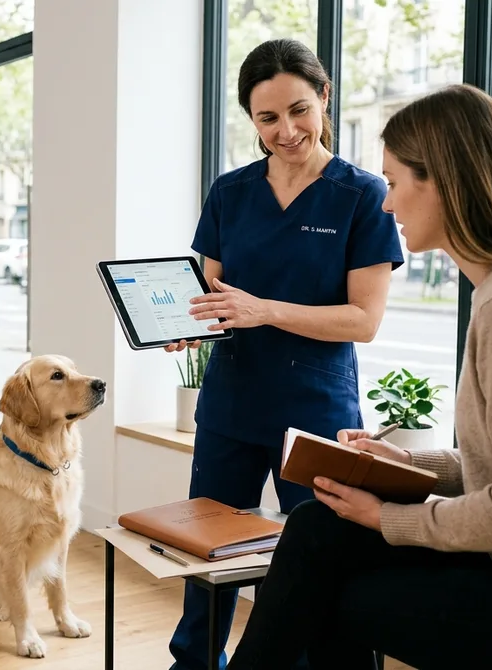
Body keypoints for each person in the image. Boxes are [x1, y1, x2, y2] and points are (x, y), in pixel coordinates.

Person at [225, 83, 492, 669]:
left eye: (395, 183)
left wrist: (389, 515)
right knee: (320, 528)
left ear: (443, 183)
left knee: (327, 587)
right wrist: (401, 465)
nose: (387, 205)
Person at [165, 38, 406, 670]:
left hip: (316, 411)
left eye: (299, 110)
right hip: (231, 403)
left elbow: (364, 319)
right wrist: (189, 323)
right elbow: (213, 292)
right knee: (207, 551)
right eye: (268, 118)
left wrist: (265, 309)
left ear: (324, 97)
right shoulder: (230, 192)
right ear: (251, 119)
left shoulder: (363, 195)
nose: (287, 130)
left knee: (319, 563)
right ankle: (195, 662)